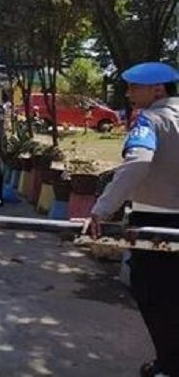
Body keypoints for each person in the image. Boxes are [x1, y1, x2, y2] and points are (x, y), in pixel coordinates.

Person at [85, 62, 179, 377]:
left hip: (156, 223)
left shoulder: (149, 120)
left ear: (158, 89)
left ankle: (170, 365)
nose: (128, 93)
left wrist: (102, 208)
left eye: (134, 87)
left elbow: (137, 164)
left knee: (156, 296)